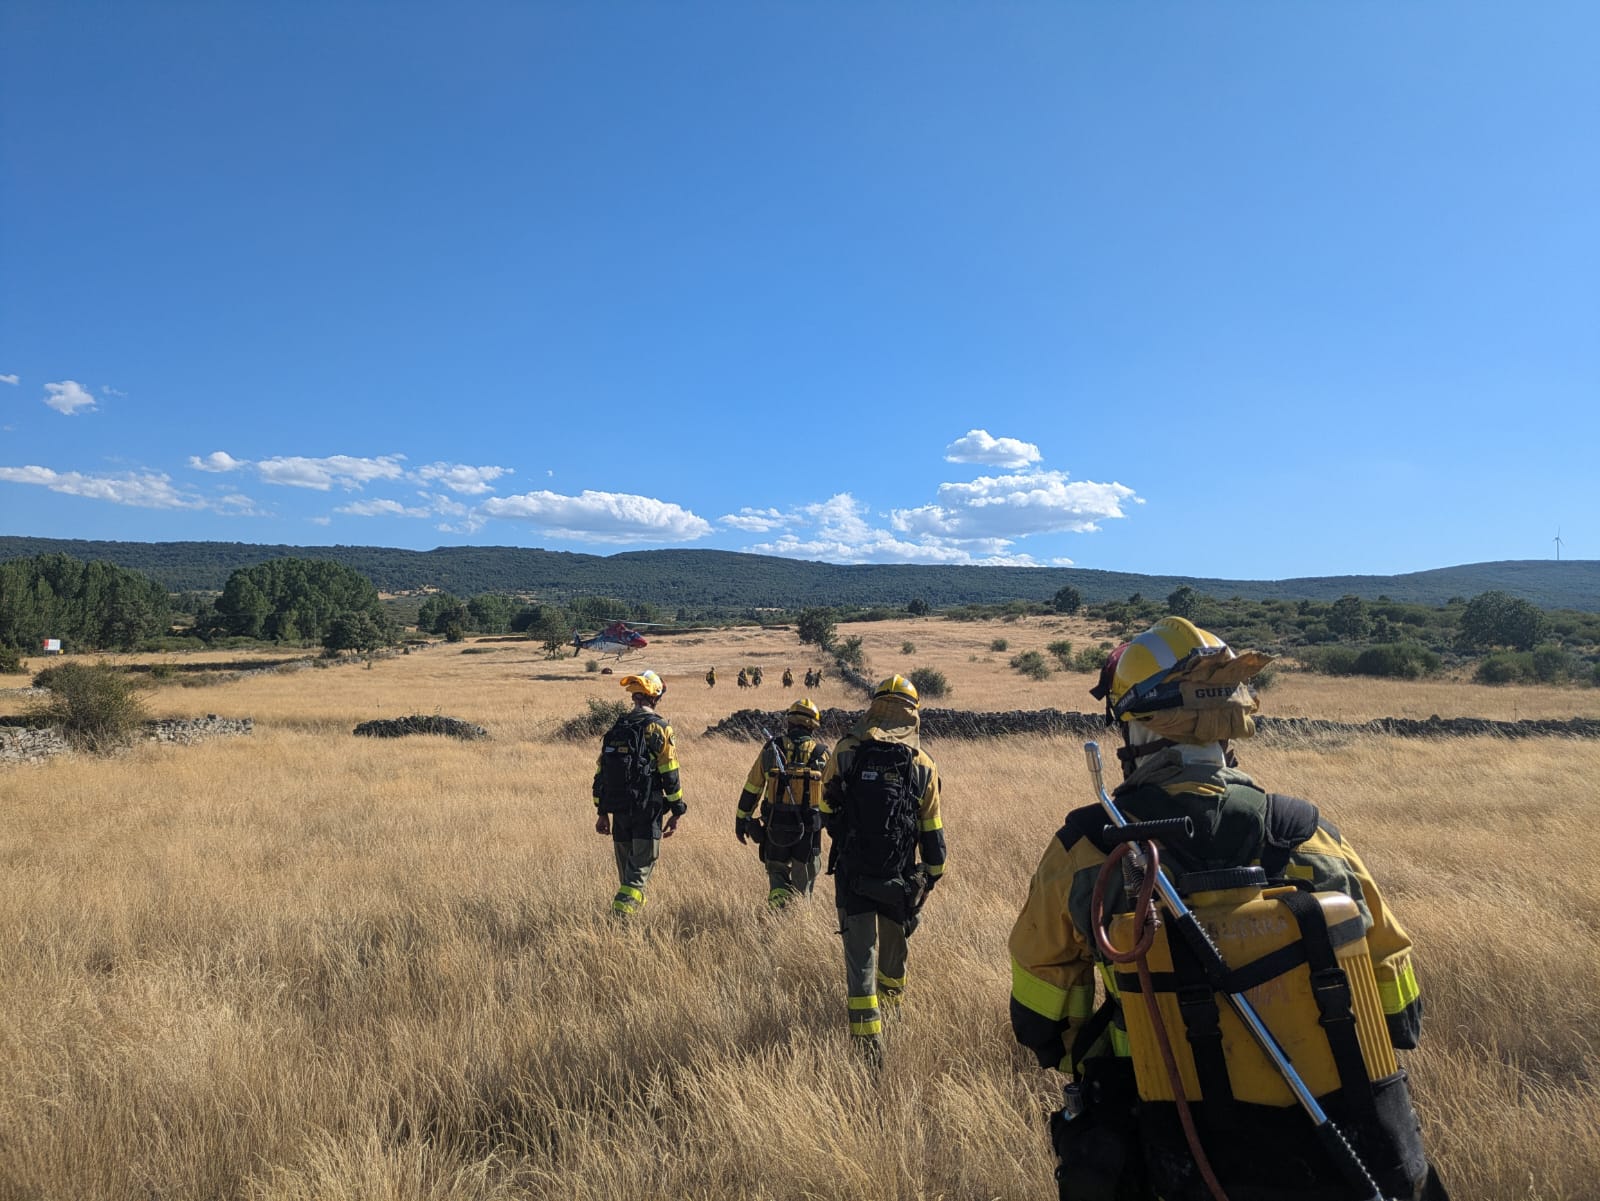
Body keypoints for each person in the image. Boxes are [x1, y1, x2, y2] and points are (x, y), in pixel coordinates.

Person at [1008, 616, 1444, 1201]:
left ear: (1136, 727)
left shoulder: (1091, 847)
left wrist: (1104, 1055)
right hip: (1336, 1139)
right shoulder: (1308, 833)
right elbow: (1400, 1010)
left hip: (1167, 1140)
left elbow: (1042, 1018)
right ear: (1232, 720)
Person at [820, 674, 946, 1061]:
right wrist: (930, 875)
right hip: (899, 877)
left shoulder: (845, 751)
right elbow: (933, 830)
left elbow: (826, 812)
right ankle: (893, 1014)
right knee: (894, 955)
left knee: (860, 957)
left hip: (853, 875)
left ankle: (866, 1043)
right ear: (913, 714)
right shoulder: (923, 763)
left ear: (872, 706)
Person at [592, 670, 687, 916]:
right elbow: (670, 773)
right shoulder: (660, 728)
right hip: (647, 809)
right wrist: (677, 810)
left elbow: (602, 772)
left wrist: (602, 812)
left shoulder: (618, 728)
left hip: (618, 810)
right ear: (655, 697)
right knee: (637, 875)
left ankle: (630, 925)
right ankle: (619, 918)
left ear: (634, 696)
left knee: (628, 877)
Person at [735, 697, 831, 910]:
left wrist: (741, 820)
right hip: (808, 837)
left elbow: (753, 787)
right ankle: (799, 927)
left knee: (777, 879)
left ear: (789, 722)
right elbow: (833, 796)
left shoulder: (772, 749)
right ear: (813, 726)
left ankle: (776, 916)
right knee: (802, 892)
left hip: (774, 831)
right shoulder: (822, 754)